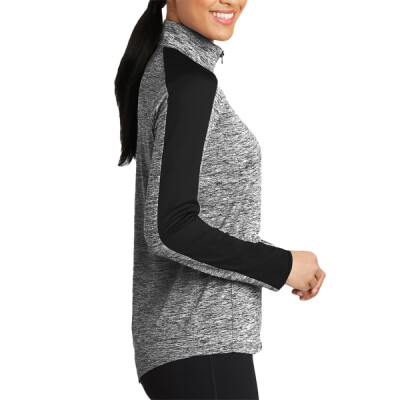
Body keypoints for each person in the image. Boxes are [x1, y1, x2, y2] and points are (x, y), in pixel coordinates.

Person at [114, 0, 326, 398]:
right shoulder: (188, 82)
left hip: (187, 346)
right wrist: (281, 266)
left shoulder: (168, 69)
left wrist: (282, 263)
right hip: (200, 344)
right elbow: (170, 228)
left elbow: (191, 219)